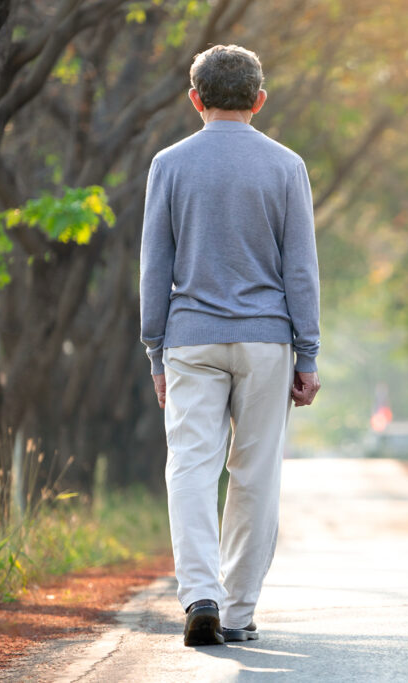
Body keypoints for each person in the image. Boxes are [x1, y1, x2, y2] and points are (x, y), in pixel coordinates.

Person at [139, 44, 321, 647]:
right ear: (259, 100)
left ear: (195, 99)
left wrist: (155, 351)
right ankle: (238, 611)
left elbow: (154, 265)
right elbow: (301, 269)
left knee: (191, 466)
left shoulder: (169, 164)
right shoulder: (286, 165)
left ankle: (201, 596)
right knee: (255, 474)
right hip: (267, 341)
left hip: (190, 340)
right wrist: (307, 353)